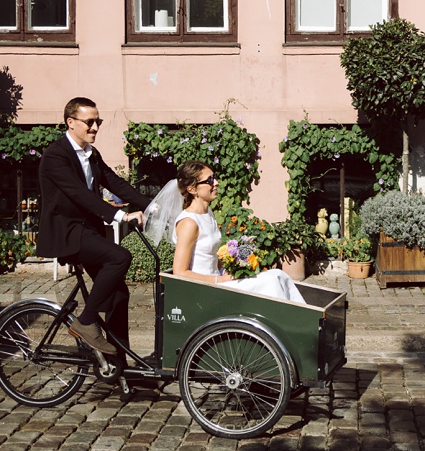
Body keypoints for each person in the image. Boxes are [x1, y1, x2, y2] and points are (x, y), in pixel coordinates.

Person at [38, 97, 147, 356]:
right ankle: (86, 322)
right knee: (120, 257)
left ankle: (118, 363)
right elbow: (79, 194)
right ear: (71, 122)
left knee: (119, 296)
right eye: (89, 122)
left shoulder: (91, 153)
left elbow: (114, 182)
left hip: (87, 231)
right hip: (67, 232)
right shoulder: (56, 155)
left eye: (98, 121)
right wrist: (121, 216)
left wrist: (153, 206)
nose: (95, 127)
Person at [156, 161, 306, 303]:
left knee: (277, 274)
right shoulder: (189, 223)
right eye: (209, 181)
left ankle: (304, 320)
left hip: (218, 281)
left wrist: (235, 267)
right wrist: (219, 280)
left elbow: (212, 256)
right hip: (204, 289)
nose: (216, 183)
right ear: (192, 189)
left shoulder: (208, 214)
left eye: (214, 178)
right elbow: (180, 272)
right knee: (270, 282)